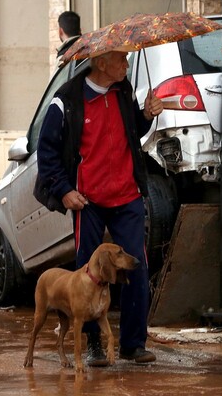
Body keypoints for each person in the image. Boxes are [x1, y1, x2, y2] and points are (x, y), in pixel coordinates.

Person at [36, 50, 163, 365]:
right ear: (101, 63)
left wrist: (145, 115)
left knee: (136, 267)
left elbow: (132, 132)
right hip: (88, 202)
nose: (127, 65)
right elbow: (46, 151)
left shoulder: (123, 91)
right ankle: (93, 343)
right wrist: (64, 190)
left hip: (127, 196)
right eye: (121, 60)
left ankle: (133, 344)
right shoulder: (65, 100)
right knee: (89, 274)